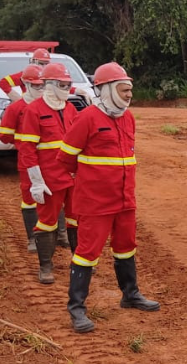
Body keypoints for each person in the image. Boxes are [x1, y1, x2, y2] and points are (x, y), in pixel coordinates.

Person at [58, 62, 160, 333]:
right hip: (96, 203)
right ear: (107, 90)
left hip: (125, 200)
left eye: (130, 90)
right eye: (124, 90)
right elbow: (65, 159)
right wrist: (92, 183)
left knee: (126, 247)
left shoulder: (128, 117)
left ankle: (130, 295)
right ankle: (77, 309)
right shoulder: (87, 118)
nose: (129, 95)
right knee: (87, 253)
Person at [16, 63, 79, 284]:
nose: (67, 88)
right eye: (62, 84)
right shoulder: (34, 111)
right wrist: (36, 181)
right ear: (49, 85)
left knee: (75, 220)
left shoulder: (70, 109)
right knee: (47, 222)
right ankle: (45, 267)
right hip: (50, 179)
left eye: (68, 84)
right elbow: (27, 150)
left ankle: (78, 262)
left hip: (73, 179)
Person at [0, 65, 45, 253]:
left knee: (55, 195)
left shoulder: (51, 106)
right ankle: (33, 238)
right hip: (27, 160)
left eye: (43, 85)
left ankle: (59, 234)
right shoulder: (16, 108)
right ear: (25, 84)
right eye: (37, 85)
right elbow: (4, 136)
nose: (40, 89)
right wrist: (23, 141)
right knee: (29, 197)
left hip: (50, 160)